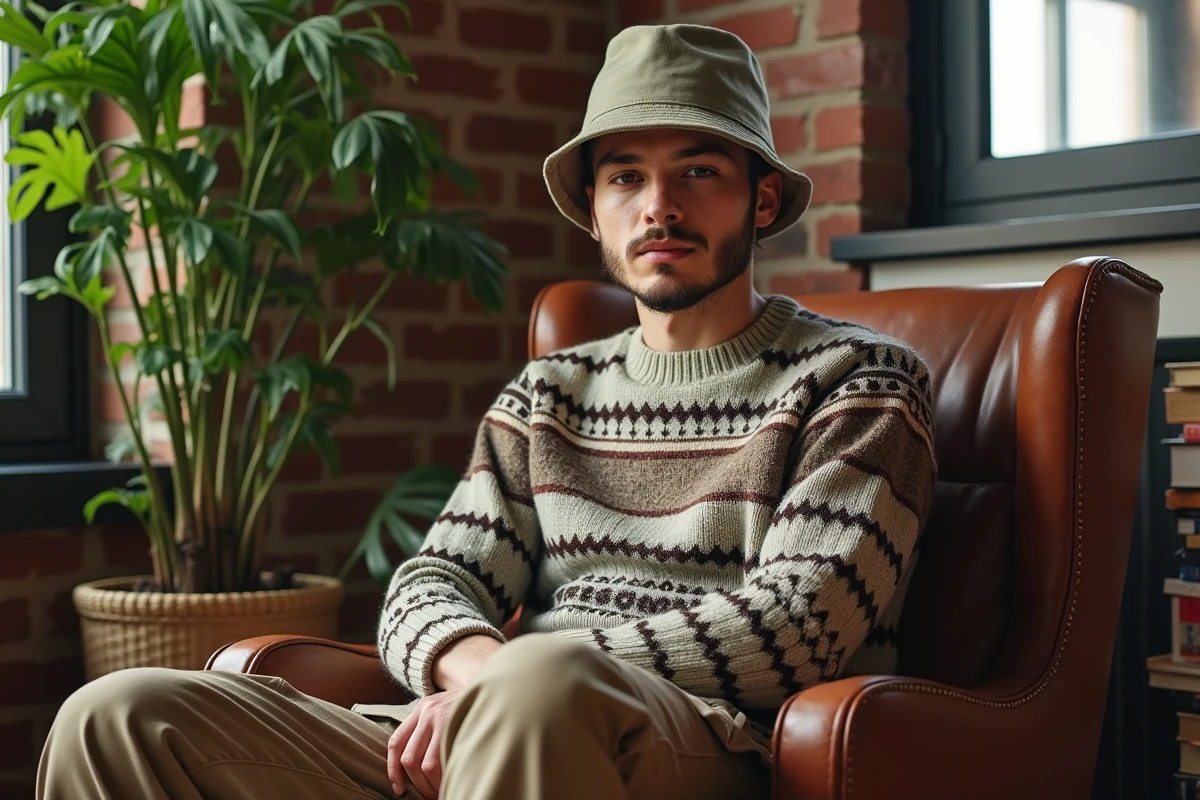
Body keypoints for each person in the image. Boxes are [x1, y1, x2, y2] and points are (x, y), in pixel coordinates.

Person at [37, 23, 937, 800]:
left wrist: (522, 678)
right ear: (594, 210)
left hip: (703, 742)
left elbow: (802, 624)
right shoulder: (548, 394)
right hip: (494, 717)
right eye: (626, 177)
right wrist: (474, 677)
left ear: (763, 198)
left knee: (543, 681)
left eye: (699, 171)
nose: (659, 206)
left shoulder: (856, 383)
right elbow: (428, 587)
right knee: (117, 716)